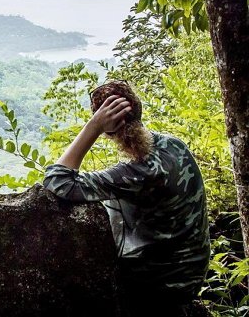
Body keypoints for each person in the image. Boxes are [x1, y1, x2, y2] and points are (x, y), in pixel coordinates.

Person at [43, 80, 209, 316]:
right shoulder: (173, 145)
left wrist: (93, 126)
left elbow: (57, 181)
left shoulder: (141, 173)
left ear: (109, 126)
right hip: (190, 274)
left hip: (161, 287)